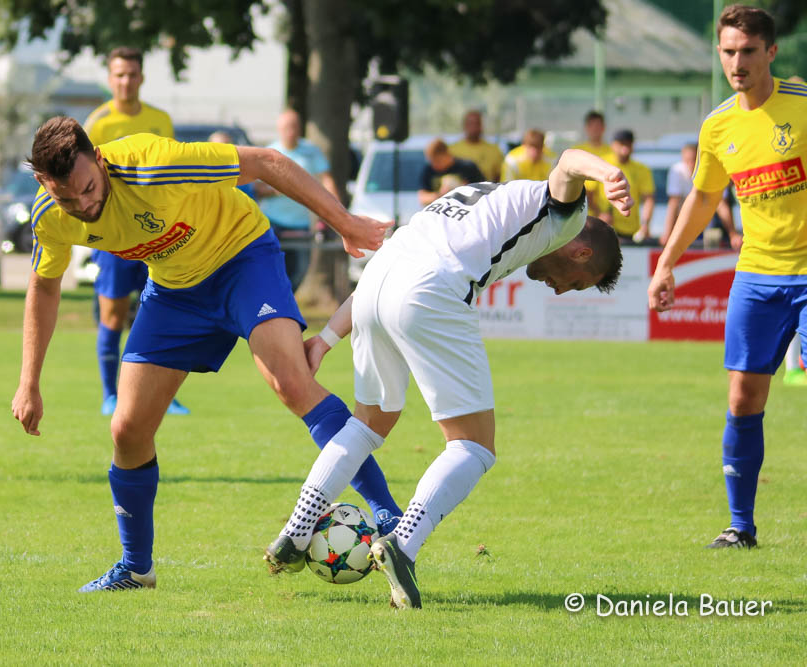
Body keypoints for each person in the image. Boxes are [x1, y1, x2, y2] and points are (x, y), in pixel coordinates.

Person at [12, 116, 404, 591]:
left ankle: (391, 523)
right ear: (42, 183)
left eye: (89, 189)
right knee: (127, 429)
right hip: (175, 290)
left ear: (100, 160)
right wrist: (29, 381)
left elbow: (266, 162)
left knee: (291, 382)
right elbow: (44, 287)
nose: (84, 205)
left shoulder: (155, 165)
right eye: (67, 197)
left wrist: (346, 224)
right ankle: (136, 568)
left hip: (242, 259)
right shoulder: (50, 215)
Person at [265, 148, 629, 608]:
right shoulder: (566, 217)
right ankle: (403, 543)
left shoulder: (487, 197)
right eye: (576, 282)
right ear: (580, 251)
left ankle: (296, 532)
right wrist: (607, 173)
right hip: (431, 288)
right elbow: (569, 162)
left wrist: (325, 339)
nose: (560, 289)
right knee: (472, 445)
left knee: (367, 424)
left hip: (376, 283)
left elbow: (393, 267)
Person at [648, 4, 807, 549]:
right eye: (728, 52)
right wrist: (667, 261)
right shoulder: (718, 125)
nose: (736, 62)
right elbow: (703, 198)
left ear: (771, 52)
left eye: (747, 51)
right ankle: (740, 528)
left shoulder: (803, 105)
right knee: (743, 397)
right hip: (758, 276)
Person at [81, 47, 187, 417]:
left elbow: (171, 175)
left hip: (157, 236)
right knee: (113, 315)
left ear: (141, 78)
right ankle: (111, 395)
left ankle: (165, 396)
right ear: (110, 79)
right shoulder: (96, 124)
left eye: (132, 74)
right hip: (112, 239)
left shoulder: (160, 120)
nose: (126, 81)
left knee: (160, 313)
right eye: (119, 74)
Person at [256, 109, 337, 293]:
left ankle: (286, 308)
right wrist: (280, 189)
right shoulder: (269, 152)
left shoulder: (311, 152)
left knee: (298, 274)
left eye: (294, 126)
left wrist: (336, 210)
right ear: (279, 129)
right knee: (272, 272)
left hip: (300, 224)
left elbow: (327, 181)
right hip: (272, 223)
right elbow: (256, 189)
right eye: (286, 127)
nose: (291, 131)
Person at [661, 143, 742, 249]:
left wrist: (732, 233)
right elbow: (674, 203)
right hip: (683, 227)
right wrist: (668, 233)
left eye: (694, 160)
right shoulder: (677, 171)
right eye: (687, 161)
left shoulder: (712, 171)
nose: (691, 164)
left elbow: (721, 204)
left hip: (706, 227)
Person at [596, 129, 654, 243]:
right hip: (604, 226)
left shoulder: (642, 169)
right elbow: (589, 193)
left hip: (631, 229)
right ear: (613, 145)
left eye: (628, 144)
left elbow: (649, 199)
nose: (625, 148)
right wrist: (600, 214)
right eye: (621, 144)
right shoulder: (602, 163)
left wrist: (645, 224)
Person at [571, 110, 616, 215]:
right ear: (586, 127)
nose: (595, 129)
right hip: (580, 211)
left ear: (603, 128)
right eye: (592, 125)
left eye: (598, 126)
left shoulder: (612, 152)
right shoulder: (577, 151)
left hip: (607, 214)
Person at [418, 138, 484, 206]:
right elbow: (422, 198)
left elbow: (484, 191)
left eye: (437, 161)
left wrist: (463, 190)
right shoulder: (429, 170)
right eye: (431, 162)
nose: (434, 165)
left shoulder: (468, 167)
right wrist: (441, 195)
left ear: (446, 154)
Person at [448, 109, 504, 182]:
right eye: (470, 123)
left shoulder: (494, 150)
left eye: (477, 123)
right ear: (464, 125)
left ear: (481, 125)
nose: (474, 127)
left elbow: (499, 177)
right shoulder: (452, 150)